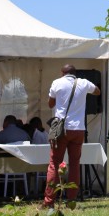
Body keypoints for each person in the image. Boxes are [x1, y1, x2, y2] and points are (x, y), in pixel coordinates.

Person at [44, 64, 100, 207]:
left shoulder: (57, 82)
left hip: (61, 129)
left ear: (63, 73)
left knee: (54, 164)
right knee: (75, 164)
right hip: (78, 129)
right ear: (75, 73)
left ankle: (49, 201)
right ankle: (71, 200)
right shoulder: (83, 82)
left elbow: (50, 104)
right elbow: (97, 92)